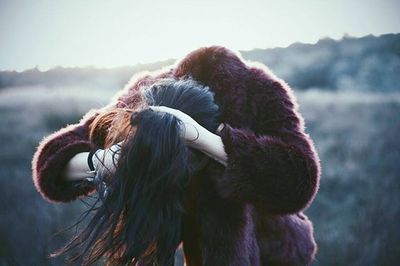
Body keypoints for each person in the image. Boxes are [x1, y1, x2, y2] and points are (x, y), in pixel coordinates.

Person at [32, 46, 321, 265]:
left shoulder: (257, 90)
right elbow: (51, 164)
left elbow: (299, 178)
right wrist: (106, 161)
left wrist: (202, 139)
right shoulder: (138, 104)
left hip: (273, 250)